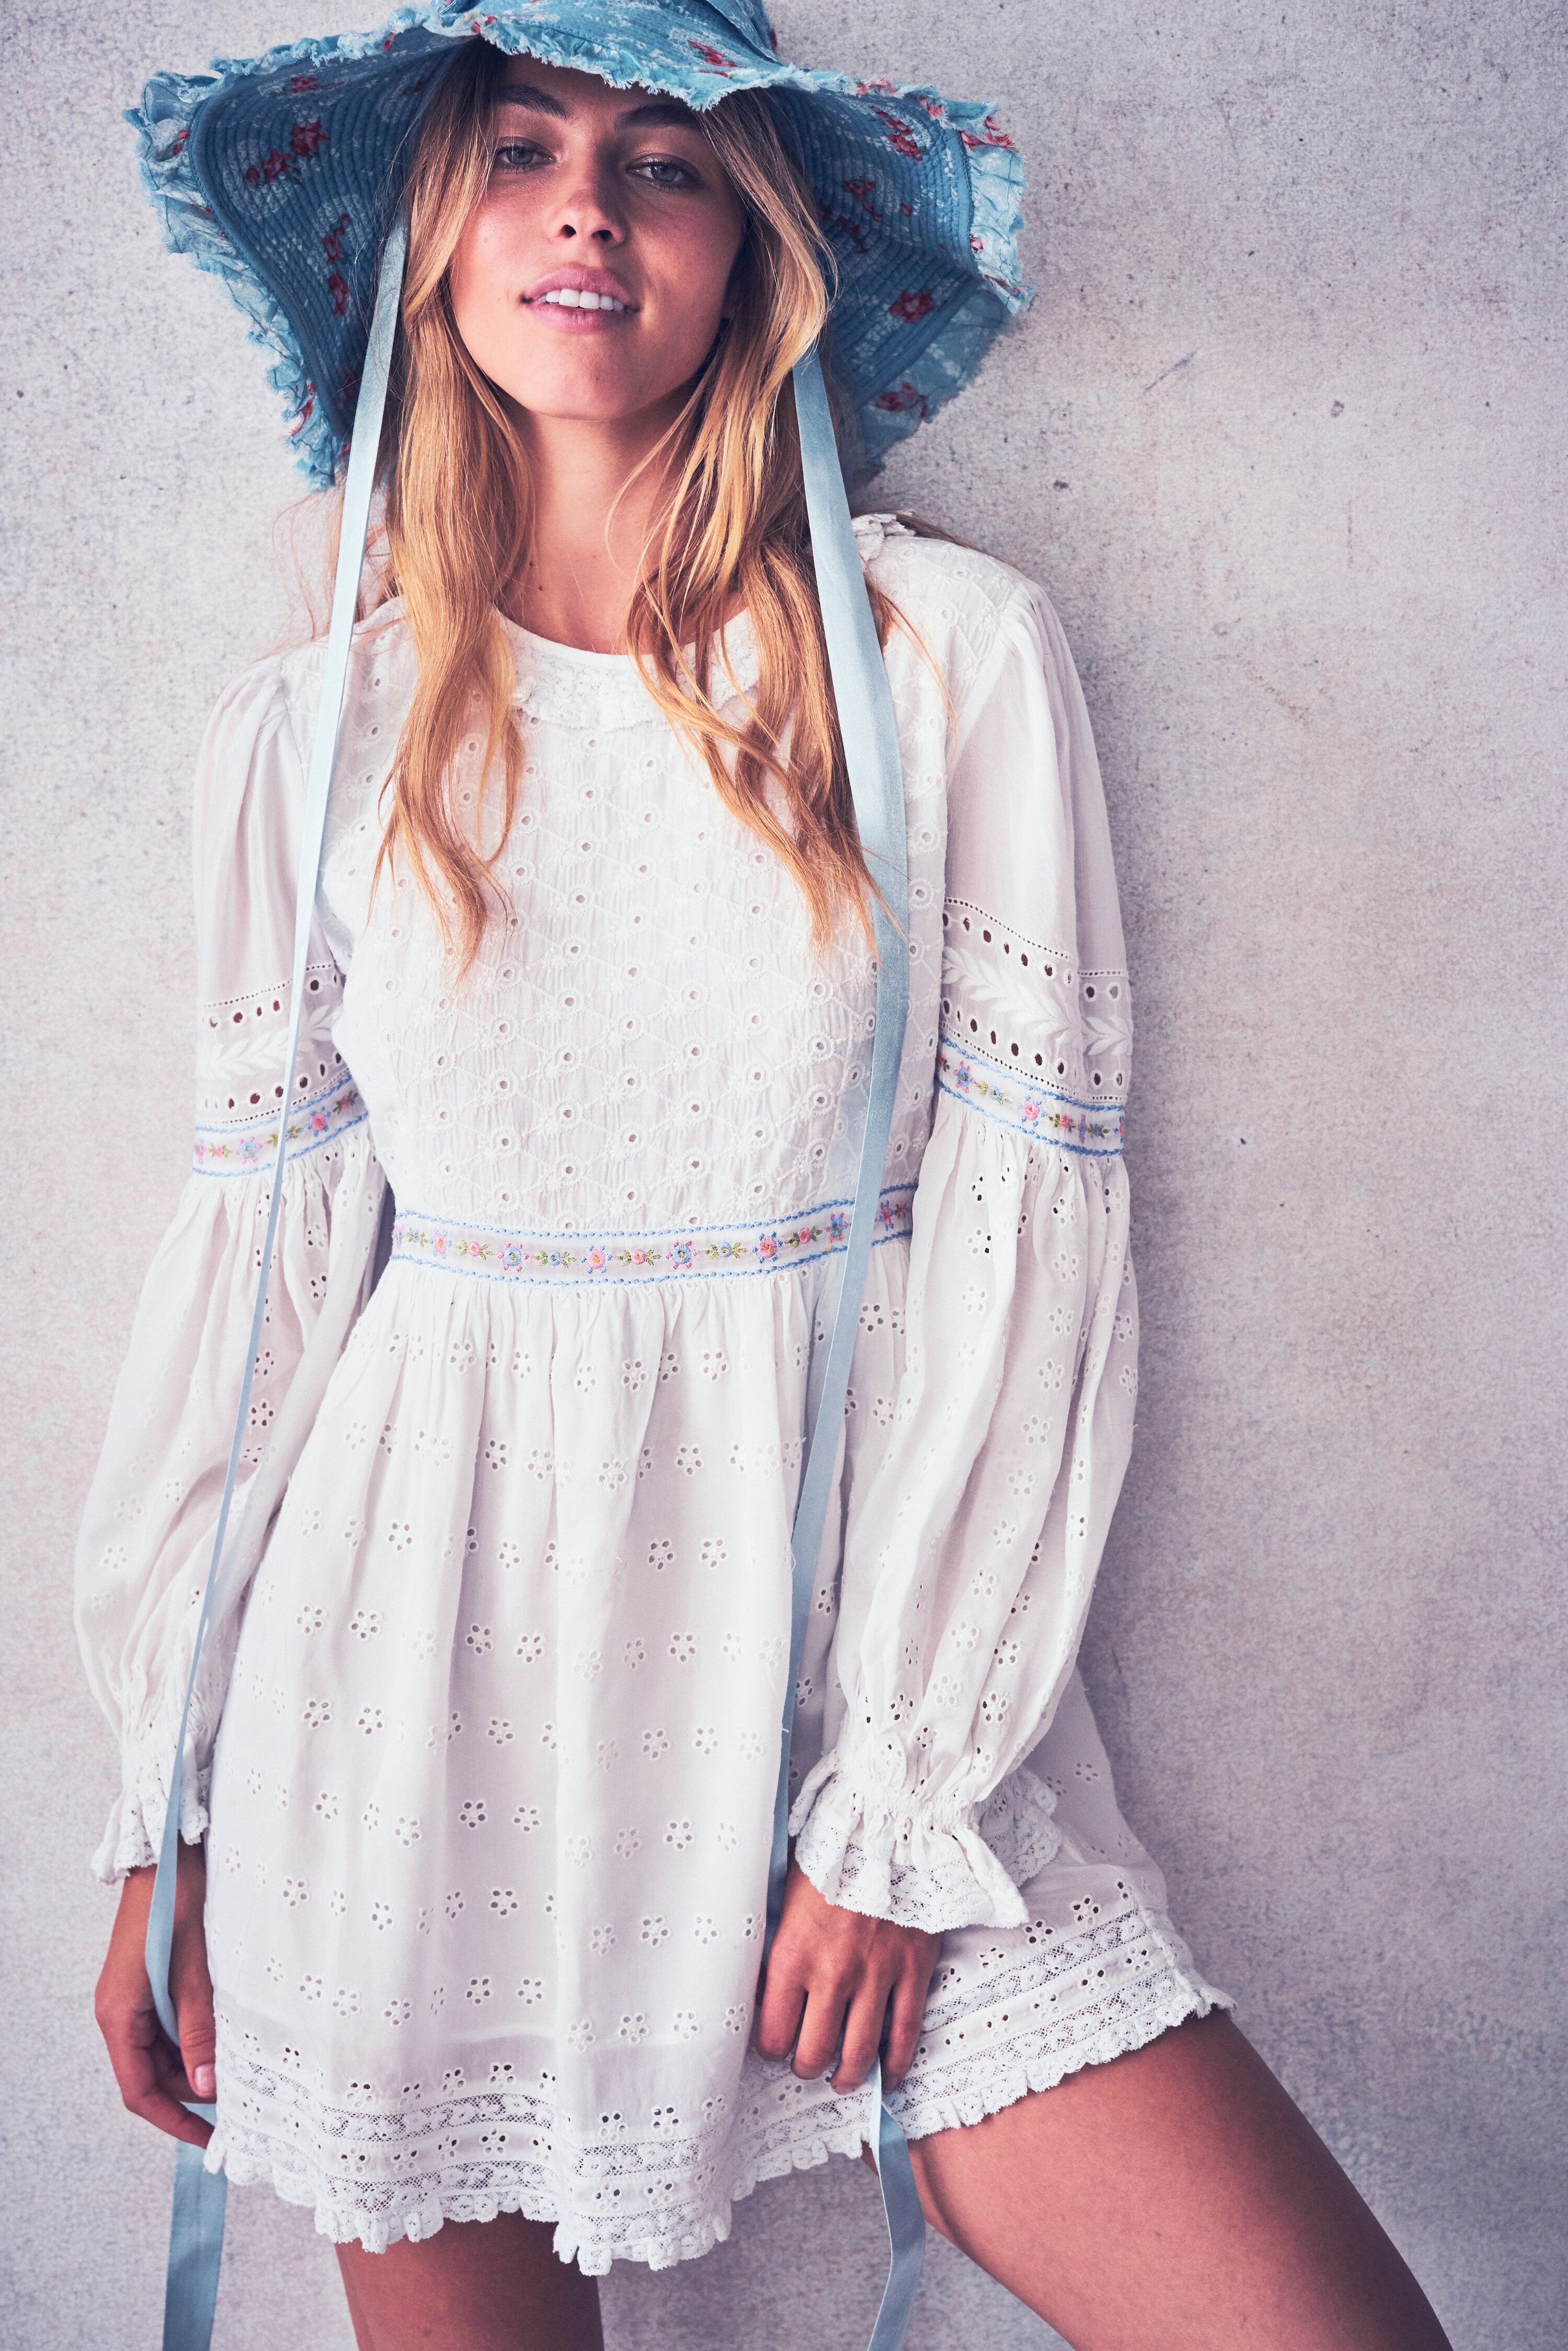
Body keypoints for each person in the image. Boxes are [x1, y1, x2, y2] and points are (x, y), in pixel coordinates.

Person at [80, 10, 1452, 2349]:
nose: (587, 209)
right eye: (521, 150)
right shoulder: (311, 732)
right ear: (431, 237)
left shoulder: (938, 658)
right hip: (404, 1705)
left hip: (845, 1692)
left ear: (754, 252)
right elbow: (260, 1281)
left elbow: (1036, 1241)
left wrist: (904, 1796)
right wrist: (164, 1800)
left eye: (666, 161)